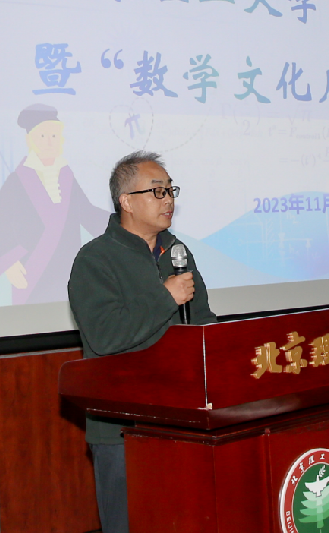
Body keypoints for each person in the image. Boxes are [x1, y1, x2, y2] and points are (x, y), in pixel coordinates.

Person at [67, 151, 218, 533]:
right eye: (157, 191)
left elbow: (203, 323)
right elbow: (106, 336)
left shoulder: (178, 253)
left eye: (170, 190)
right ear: (127, 202)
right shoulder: (95, 259)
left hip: (185, 420)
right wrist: (165, 296)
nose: (168, 200)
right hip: (122, 431)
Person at [0, 105, 109, 305]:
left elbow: (87, 213)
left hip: (67, 268)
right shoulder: (18, 180)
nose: (49, 142)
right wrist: (10, 262)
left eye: (54, 136)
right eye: (42, 136)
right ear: (29, 140)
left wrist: (125, 224)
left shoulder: (67, 177)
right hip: (33, 271)